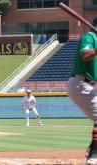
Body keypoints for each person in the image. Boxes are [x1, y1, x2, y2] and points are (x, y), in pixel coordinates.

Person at [67, 15, 97, 165]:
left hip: (90, 85)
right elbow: (85, 55)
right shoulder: (89, 36)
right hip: (81, 84)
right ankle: (94, 156)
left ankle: (93, 151)